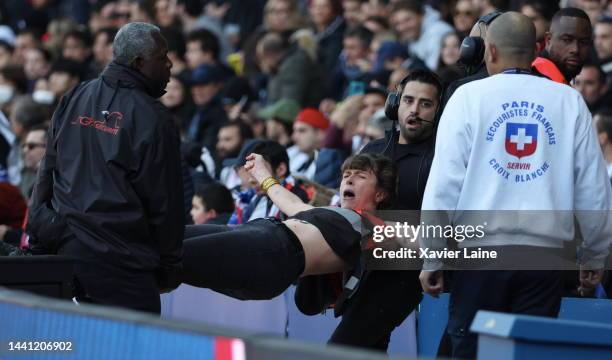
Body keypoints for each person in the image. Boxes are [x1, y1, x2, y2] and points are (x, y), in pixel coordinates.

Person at [419, 13, 612, 359]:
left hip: (480, 256)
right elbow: (594, 189)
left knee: (470, 351)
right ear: (537, 48)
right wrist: (596, 253)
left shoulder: (467, 97)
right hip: (545, 260)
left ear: (489, 51)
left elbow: (444, 182)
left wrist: (432, 254)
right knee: (528, 354)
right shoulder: (569, 101)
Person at [28, 22, 184, 314]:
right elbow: (166, 203)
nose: (169, 64)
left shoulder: (75, 95)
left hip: (67, 249)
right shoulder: (154, 118)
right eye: (162, 57)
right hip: (122, 265)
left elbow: (46, 172)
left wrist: (41, 229)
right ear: (139, 63)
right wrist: (169, 267)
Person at [181, 152, 395, 305]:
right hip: (260, 234)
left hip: (273, 252)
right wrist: (263, 174)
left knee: (174, 251)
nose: (349, 179)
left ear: (380, 194)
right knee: (171, 238)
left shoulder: (378, 227)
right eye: (346, 175)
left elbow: (421, 236)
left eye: (360, 176)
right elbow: (293, 206)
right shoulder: (334, 213)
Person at [532, 8, 592, 85]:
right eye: (567, 40)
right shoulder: (536, 80)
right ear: (548, 40)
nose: (575, 49)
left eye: (583, 42)